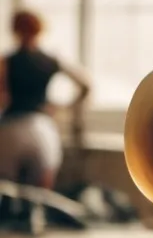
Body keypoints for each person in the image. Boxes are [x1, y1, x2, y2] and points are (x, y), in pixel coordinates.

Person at [0, 10, 90, 190]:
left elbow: (2, 97)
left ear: (15, 30)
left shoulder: (6, 61)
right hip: (41, 129)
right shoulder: (50, 60)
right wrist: (62, 107)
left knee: (7, 197)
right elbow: (85, 85)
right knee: (42, 195)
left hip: (10, 129)